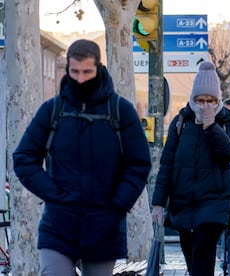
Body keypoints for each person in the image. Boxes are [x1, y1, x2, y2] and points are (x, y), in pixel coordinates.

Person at [13, 39, 152, 275]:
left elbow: (139, 163)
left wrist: (118, 204)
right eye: (74, 71)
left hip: (104, 226)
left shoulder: (121, 111)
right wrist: (53, 193)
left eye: (87, 72)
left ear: (98, 68)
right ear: (67, 68)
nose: (80, 79)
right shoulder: (52, 110)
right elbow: (24, 158)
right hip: (59, 225)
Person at [151, 61, 230, 276]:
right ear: (193, 99)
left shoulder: (227, 121)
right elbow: (167, 164)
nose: (205, 105)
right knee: (191, 256)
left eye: (211, 101)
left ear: (218, 100)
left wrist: (211, 127)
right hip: (184, 202)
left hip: (215, 201)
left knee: (203, 251)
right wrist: (158, 203)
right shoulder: (180, 122)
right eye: (200, 100)